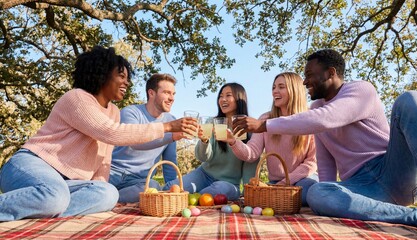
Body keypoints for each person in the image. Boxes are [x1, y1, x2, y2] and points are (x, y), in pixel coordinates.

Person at [233, 49, 417, 231]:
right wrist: (325, 199)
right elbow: (326, 166)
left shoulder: (361, 90)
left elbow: (326, 118)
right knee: (317, 192)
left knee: (409, 99)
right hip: (361, 187)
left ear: (330, 73)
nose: (305, 82)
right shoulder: (316, 108)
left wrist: (265, 125)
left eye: (309, 75)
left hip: (393, 171)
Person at [0, 46, 197, 221]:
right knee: (55, 196)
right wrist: (168, 127)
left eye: (127, 78)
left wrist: (99, 189)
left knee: (108, 194)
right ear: (102, 74)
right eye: (121, 76)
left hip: (66, 183)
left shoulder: (112, 111)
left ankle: (43, 212)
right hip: (32, 165)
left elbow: (104, 157)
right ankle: (45, 204)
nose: (126, 83)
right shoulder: (77, 98)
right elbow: (113, 133)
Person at [225, 72, 318, 206]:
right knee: (264, 197)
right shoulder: (265, 119)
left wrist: (285, 183)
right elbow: (251, 154)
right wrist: (233, 141)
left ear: (294, 90)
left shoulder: (310, 118)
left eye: (281, 87)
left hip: (303, 179)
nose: (275, 91)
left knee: (309, 192)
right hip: (275, 183)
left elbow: (311, 163)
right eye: (274, 87)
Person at [163, 83, 258, 201]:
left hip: (228, 183)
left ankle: (190, 199)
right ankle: (189, 199)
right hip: (203, 174)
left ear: (239, 98)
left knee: (219, 189)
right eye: (220, 96)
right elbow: (203, 157)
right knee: (170, 188)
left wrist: (247, 192)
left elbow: (251, 160)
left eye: (228, 95)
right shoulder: (212, 123)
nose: (223, 99)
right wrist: (204, 140)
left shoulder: (248, 129)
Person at [109, 73, 184, 203]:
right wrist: (171, 135)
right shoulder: (131, 112)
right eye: (166, 92)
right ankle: (109, 196)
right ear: (151, 93)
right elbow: (134, 142)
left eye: (173, 94)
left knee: (154, 186)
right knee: (96, 186)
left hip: (139, 181)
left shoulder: (171, 120)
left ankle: (112, 199)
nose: (171, 98)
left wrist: (173, 189)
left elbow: (169, 160)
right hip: (113, 172)